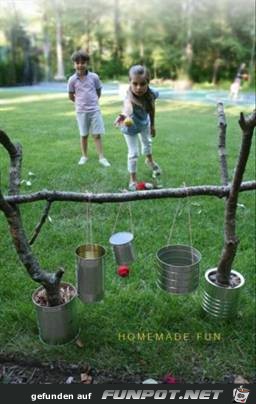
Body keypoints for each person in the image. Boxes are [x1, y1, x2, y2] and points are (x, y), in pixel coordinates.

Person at [115, 65, 161, 191]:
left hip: (144, 124)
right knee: (133, 153)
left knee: (147, 143)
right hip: (130, 128)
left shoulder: (151, 94)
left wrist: (152, 125)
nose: (138, 88)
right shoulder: (129, 95)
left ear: (148, 82)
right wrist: (124, 115)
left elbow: (151, 108)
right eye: (134, 84)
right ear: (130, 82)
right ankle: (132, 179)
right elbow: (127, 107)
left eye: (142, 84)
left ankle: (149, 161)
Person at [67, 50, 110, 167]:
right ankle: (84, 156)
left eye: (83, 62)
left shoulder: (94, 77)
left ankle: (101, 157)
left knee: (97, 135)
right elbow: (71, 95)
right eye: (77, 63)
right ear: (74, 64)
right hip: (81, 111)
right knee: (84, 135)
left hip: (94, 110)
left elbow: (98, 91)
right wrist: (80, 103)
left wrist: (93, 102)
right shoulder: (72, 80)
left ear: (87, 64)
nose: (80, 65)